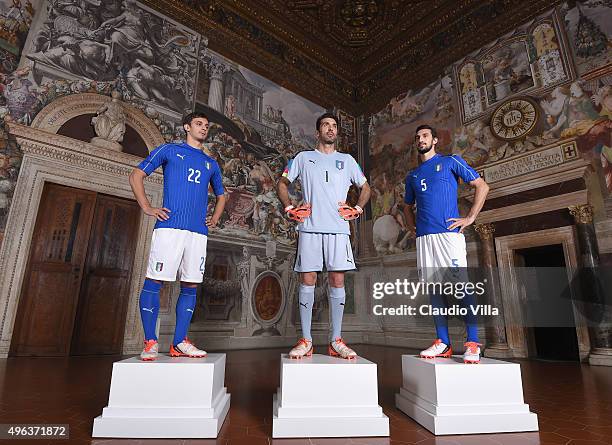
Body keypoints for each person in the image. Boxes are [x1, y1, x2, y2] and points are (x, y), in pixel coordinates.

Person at [129, 112, 226, 361]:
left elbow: (222, 195)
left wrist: (214, 218)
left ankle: (180, 341)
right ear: (186, 127)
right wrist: (147, 207)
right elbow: (136, 175)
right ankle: (150, 341)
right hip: (170, 228)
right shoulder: (169, 150)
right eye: (198, 124)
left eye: (206, 125)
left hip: (198, 232)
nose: (204, 128)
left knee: (191, 284)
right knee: (155, 281)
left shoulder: (211, 163)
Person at [277, 113, 371, 360]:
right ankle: (306, 339)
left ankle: (336, 339)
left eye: (334, 126)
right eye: (325, 126)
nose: (330, 129)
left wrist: (357, 208)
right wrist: (289, 208)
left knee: (337, 281)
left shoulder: (347, 160)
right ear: (317, 132)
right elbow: (282, 183)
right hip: (309, 227)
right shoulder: (303, 158)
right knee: (307, 280)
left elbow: (366, 187)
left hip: (339, 229)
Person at [403, 124, 489, 364]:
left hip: (448, 235)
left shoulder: (451, 161)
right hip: (424, 239)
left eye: (425, 136)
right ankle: (443, 342)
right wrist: (412, 227)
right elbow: (406, 206)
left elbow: (482, 185)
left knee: (460, 287)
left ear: (435, 140)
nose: (421, 139)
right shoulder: (413, 176)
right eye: (418, 136)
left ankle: (472, 342)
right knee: (434, 289)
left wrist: (471, 217)